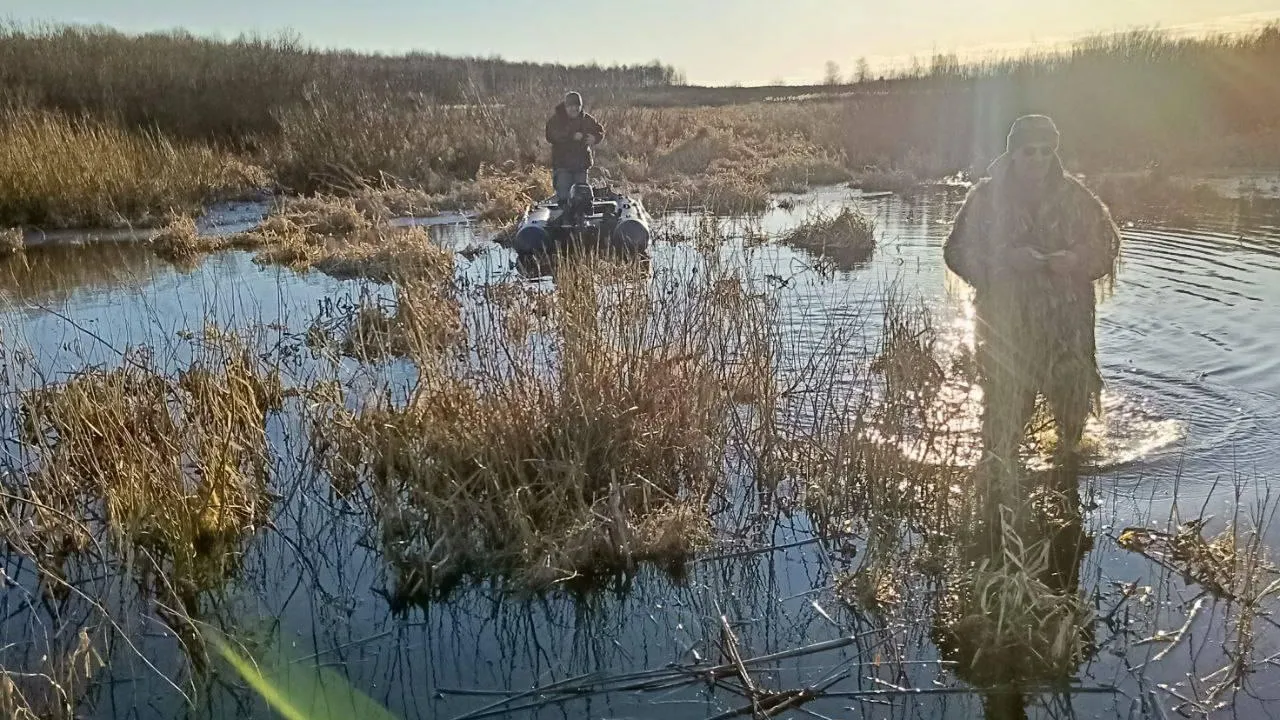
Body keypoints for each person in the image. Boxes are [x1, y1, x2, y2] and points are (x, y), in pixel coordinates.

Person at [944, 115, 1122, 481]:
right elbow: (956, 251)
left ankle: (1066, 490)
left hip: (1068, 331)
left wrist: (1076, 261)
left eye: (1045, 151)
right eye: (1029, 152)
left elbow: (1108, 246)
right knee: (1002, 428)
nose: (1038, 159)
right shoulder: (985, 198)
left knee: (1072, 426)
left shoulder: (1077, 197)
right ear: (1014, 153)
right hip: (1006, 330)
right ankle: (999, 504)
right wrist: (1005, 261)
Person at [545, 91, 606, 205]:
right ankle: (564, 221)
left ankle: (581, 221)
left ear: (581, 106)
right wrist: (571, 136)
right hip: (563, 165)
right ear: (566, 107)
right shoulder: (556, 120)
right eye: (571, 106)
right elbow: (551, 135)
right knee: (563, 197)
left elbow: (600, 130)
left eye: (577, 106)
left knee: (581, 197)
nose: (574, 109)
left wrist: (595, 138)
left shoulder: (587, 119)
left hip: (581, 165)